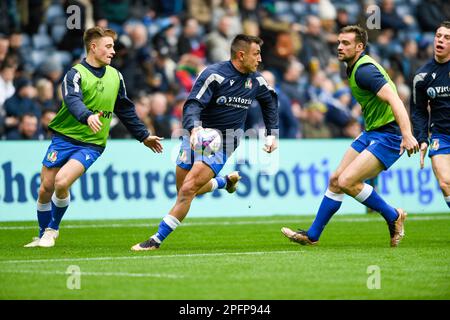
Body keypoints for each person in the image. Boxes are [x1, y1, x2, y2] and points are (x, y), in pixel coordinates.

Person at [132, 34, 279, 251]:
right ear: (241, 55)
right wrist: (194, 129)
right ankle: (223, 182)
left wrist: (271, 134)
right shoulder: (214, 75)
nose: (259, 59)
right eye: (256, 54)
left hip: (227, 140)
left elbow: (270, 103)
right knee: (183, 188)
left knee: (189, 188)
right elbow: (192, 104)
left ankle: (156, 239)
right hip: (197, 136)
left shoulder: (256, 81)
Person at [24, 27, 163, 248]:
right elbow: (72, 100)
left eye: (113, 47)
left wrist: (143, 135)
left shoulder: (116, 76)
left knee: (61, 182)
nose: (113, 52)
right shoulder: (75, 74)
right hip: (64, 138)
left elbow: (125, 109)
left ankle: (52, 230)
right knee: (45, 188)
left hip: (92, 143)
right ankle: (42, 235)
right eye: (109, 47)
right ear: (93, 47)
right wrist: (87, 116)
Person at [282, 25, 419, 247]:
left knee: (347, 181)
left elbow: (395, 99)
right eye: (338, 42)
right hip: (373, 131)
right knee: (336, 180)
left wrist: (407, 134)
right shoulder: (353, 67)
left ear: (360, 47)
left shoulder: (365, 70)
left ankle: (393, 215)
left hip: (389, 135)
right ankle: (312, 235)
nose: (339, 46)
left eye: (345, 43)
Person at [411, 21, 450, 209]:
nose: (441, 40)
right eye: (438, 36)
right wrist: (422, 138)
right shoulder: (422, 75)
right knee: (445, 183)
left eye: (447, 38)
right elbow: (418, 111)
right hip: (441, 136)